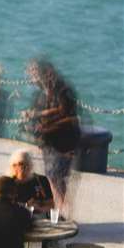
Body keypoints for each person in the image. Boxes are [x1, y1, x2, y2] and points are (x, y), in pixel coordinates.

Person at [24, 59, 80, 219]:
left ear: (47, 73)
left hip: (62, 143)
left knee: (58, 178)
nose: (33, 78)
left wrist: (43, 121)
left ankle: (62, 212)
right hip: (50, 141)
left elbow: (68, 115)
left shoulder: (62, 89)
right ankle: (59, 211)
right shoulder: (46, 90)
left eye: (35, 74)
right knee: (52, 177)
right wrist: (37, 117)